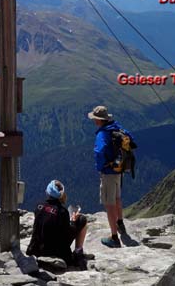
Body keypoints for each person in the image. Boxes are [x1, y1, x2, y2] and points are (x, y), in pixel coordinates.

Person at [88, 105, 132, 248]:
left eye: (95, 119)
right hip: (119, 169)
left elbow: (100, 151)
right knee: (117, 198)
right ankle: (120, 223)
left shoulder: (103, 134)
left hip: (108, 172)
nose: (94, 121)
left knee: (109, 203)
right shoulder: (116, 128)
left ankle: (114, 237)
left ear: (99, 120)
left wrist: (101, 167)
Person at [26, 180, 89, 268]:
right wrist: (73, 222)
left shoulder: (39, 206)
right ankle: (78, 251)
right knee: (82, 219)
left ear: (47, 192)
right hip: (56, 252)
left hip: (36, 249)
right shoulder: (62, 211)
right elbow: (67, 234)